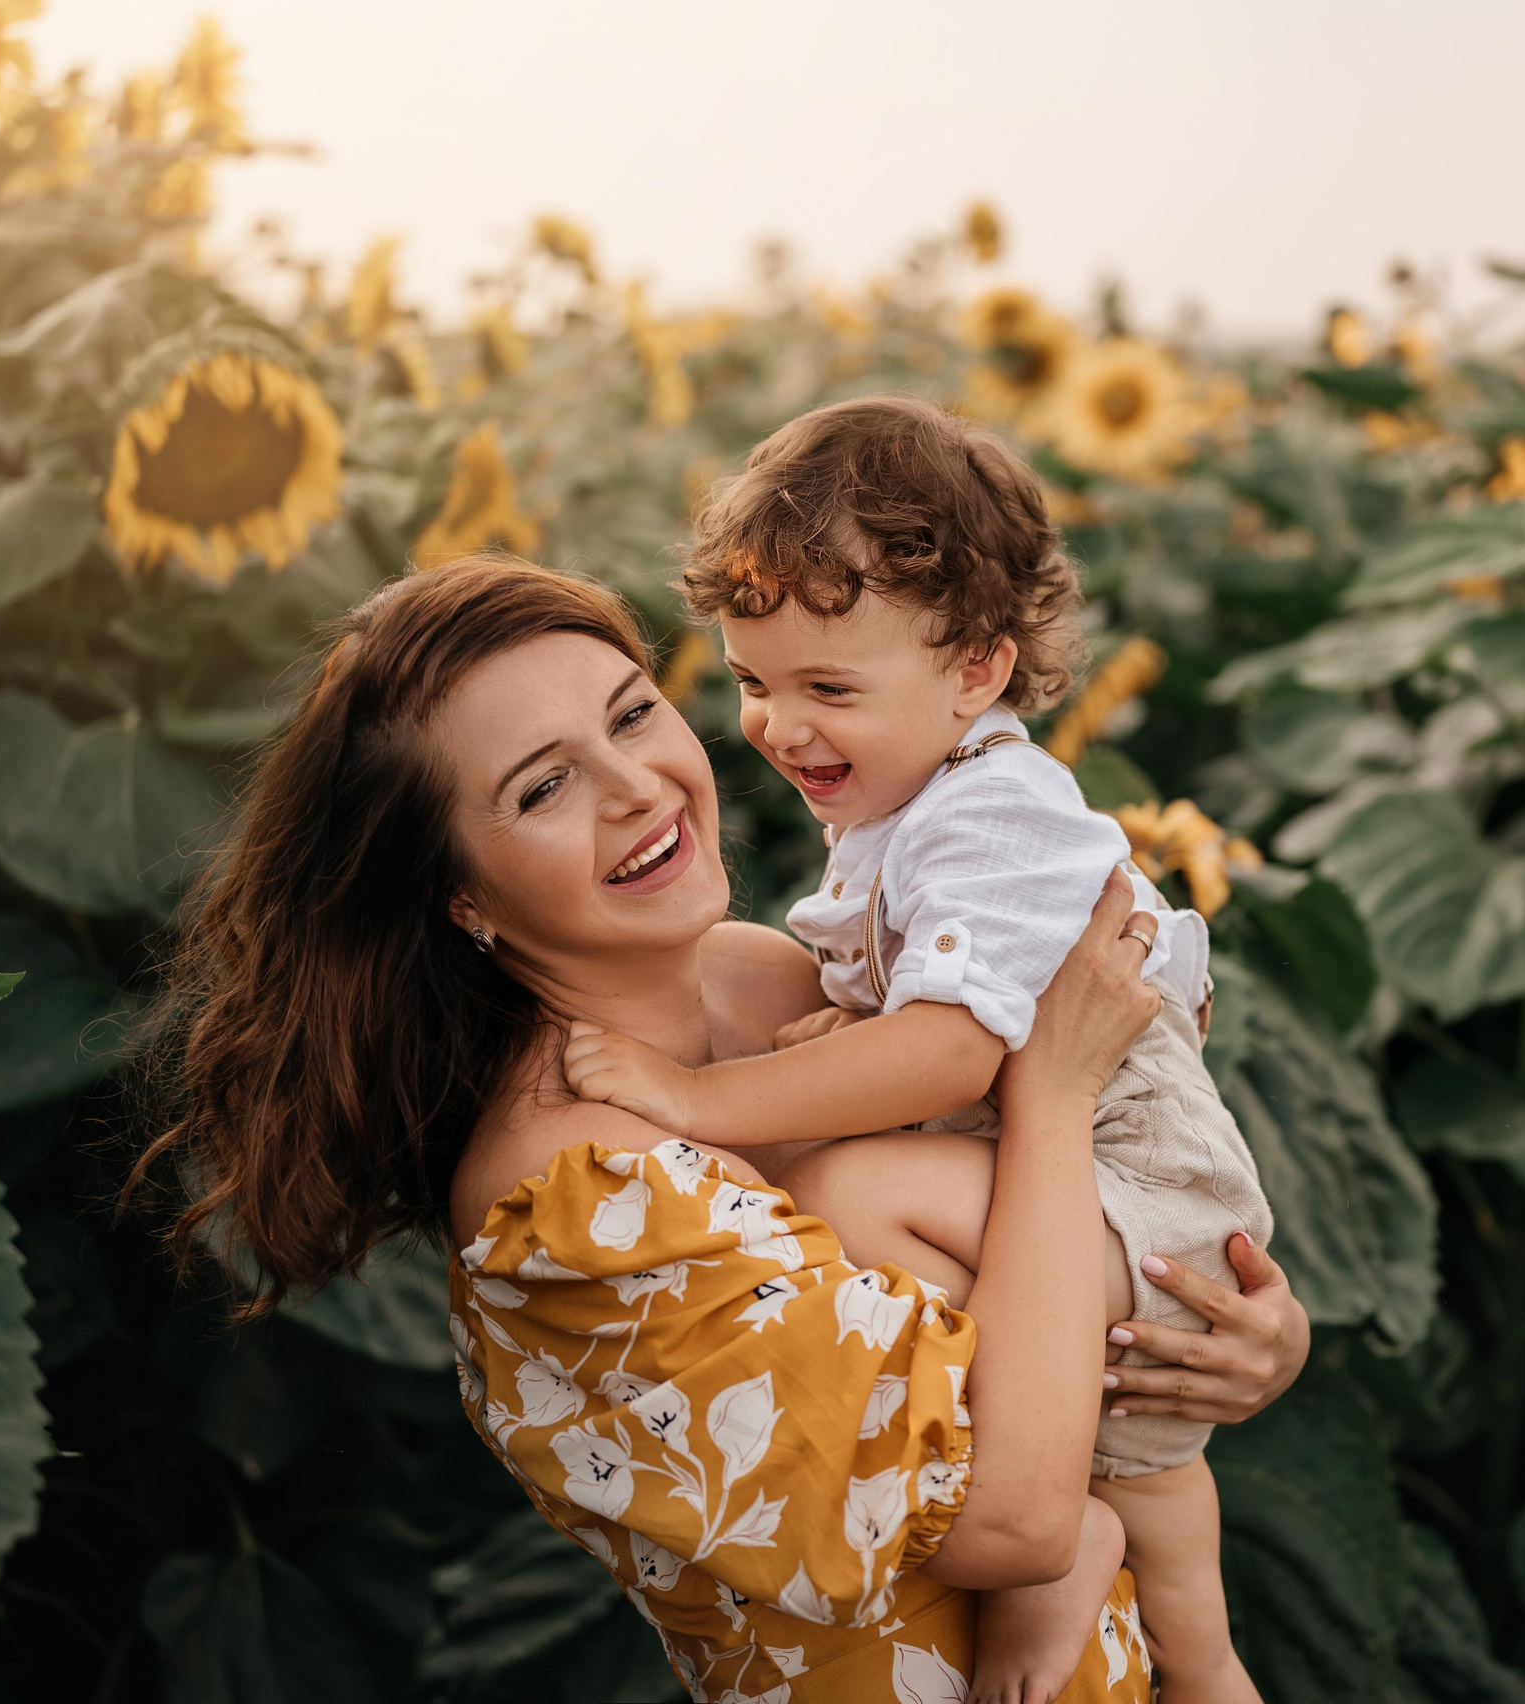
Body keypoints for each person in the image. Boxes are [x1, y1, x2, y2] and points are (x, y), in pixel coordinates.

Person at [133, 554, 1310, 1704]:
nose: (638, 786)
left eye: (633, 715)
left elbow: (1038, 1250)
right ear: (463, 898)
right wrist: (1050, 1094)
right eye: (543, 787)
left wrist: (1223, 1336)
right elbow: (1009, 1515)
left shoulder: (766, 980)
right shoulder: (567, 1204)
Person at [559, 397, 1270, 1704]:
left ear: (975, 672)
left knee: (852, 1190)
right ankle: (1209, 1666)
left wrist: (695, 1093)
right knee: (1167, 1521)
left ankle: (1050, 1554)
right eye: (753, 682)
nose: (778, 727)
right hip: (1123, 1216)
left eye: (830, 688)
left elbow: (949, 1059)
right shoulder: (921, 799)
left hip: (1133, 1184)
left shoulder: (984, 812)